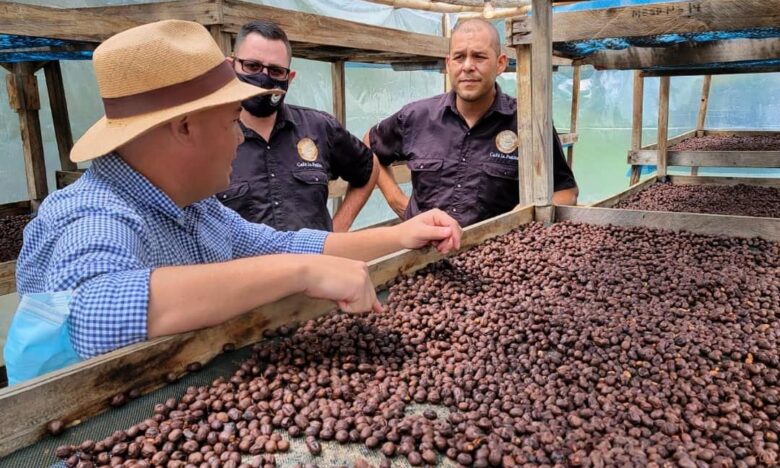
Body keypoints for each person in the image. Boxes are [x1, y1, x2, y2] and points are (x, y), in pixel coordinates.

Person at [4, 20, 461, 384]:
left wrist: (401, 235)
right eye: (229, 123)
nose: (238, 138)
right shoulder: (92, 213)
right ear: (185, 128)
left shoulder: (196, 207)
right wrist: (300, 273)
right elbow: (92, 308)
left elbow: (283, 244)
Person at [367, 18, 578, 227]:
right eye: (459, 57)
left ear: (500, 63)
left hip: (496, 248)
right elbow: (370, 145)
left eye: (479, 57)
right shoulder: (417, 116)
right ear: (448, 64)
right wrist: (398, 202)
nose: (468, 66)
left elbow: (565, 191)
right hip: (422, 248)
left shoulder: (528, 122)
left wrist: (519, 223)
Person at [218, 20, 377, 232]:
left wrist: (338, 229)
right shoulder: (210, 139)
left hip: (317, 254)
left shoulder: (319, 127)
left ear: (289, 77)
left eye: (275, 71)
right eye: (252, 66)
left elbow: (368, 166)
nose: (263, 77)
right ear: (231, 67)